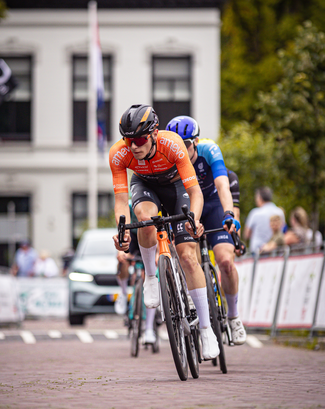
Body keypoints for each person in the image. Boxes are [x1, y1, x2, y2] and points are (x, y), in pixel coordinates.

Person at [109, 104, 219, 360]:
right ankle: (150, 277)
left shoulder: (173, 144)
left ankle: (206, 330)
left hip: (176, 186)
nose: (133, 146)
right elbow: (120, 201)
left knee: (188, 255)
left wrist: (194, 219)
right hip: (145, 185)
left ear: (154, 134)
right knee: (144, 219)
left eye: (139, 140)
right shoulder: (118, 153)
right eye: (128, 140)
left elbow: (195, 193)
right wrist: (122, 230)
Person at [166, 116, 246, 346]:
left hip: (213, 204)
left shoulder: (209, 149)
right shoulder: (170, 158)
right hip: (188, 206)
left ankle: (233, 316)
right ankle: (194, 299)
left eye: (186, 145)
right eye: (177, 145)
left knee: (225, 261)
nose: (181, 150)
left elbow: (222, 185)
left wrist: (229, 213)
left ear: (196, 142)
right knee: (185, 255)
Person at [115, 200, 158, 345]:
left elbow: (159, 234)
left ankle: (149, 328)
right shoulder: (128, 206)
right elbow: (121, 232)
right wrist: (121, 252)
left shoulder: (154, 206)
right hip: (133, 239)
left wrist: (158, 254)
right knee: (122, 263)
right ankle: (123, 292)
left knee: (150, 274)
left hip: (150, 237)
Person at [243, 187, 285, 255]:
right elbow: (283, 229)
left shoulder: (255, 213)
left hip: (257, 251)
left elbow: (246, 234)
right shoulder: (280, 212)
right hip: (276, 251)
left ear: (260, 198)